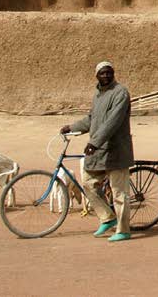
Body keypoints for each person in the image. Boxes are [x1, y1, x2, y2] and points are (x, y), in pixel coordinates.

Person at [59, 61, 134, 242]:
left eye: (109, 73)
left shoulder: (120, 93)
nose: (106, 76)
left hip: (116, 150)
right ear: (97, 76)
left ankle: (123, 230)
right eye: (102, 73)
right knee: (88, 183)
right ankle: (107, 217)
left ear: (113, 73)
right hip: (100, 151)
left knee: (119, 192)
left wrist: (94, 142)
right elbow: (92, 119)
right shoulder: (98, 95)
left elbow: (113, 122)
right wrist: (71, 127)